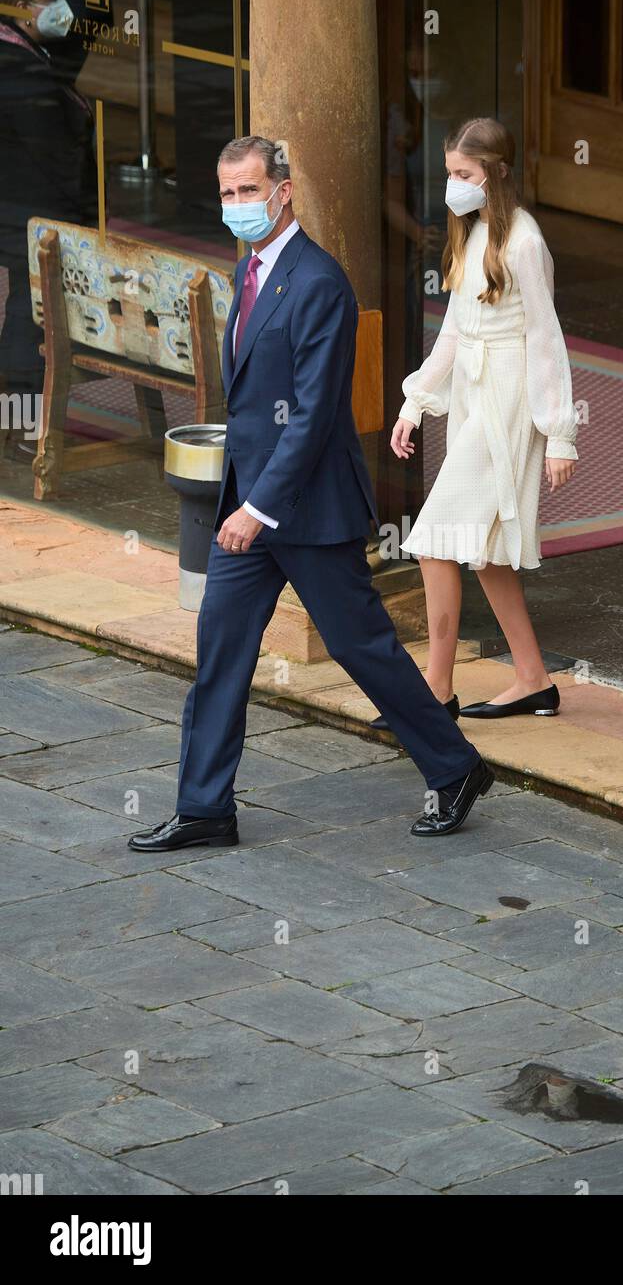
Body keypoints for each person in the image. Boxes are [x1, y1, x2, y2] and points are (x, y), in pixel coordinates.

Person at [128, 136, 493, 851]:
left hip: (302, 510)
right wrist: (246, 502)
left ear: (284, 190)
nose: (236, 205)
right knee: (221, 650)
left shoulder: (320, 282)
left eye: (248, 191)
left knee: (364, 649)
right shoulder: (251, 272)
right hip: (251, 508)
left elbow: (316, 408)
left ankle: (455, 768)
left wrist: (257, 508)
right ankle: (205, 808)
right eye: (227, 192)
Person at [371, 116, 578, 728]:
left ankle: (436, 688)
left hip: (509, 399)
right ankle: (533, 679)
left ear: (496, 174)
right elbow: (455, 333)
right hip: (473, 397)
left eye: (464, 175)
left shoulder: (524, 241)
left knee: (435, 540)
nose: (453, 186)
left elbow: (546, 339)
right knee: (484, 555)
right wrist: (415, 402)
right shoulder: (472, 233)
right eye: (450, 174)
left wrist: (560, 432)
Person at [0, 0, 95, 435]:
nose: (63, 8)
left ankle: (20, 422)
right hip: (29, 211)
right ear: (21, 9)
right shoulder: (18, 67)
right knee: (29, 312)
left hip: (20, 206)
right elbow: (51, 151)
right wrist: (80, 212)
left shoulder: (22, 51)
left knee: (27, 303)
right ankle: (23, 426)